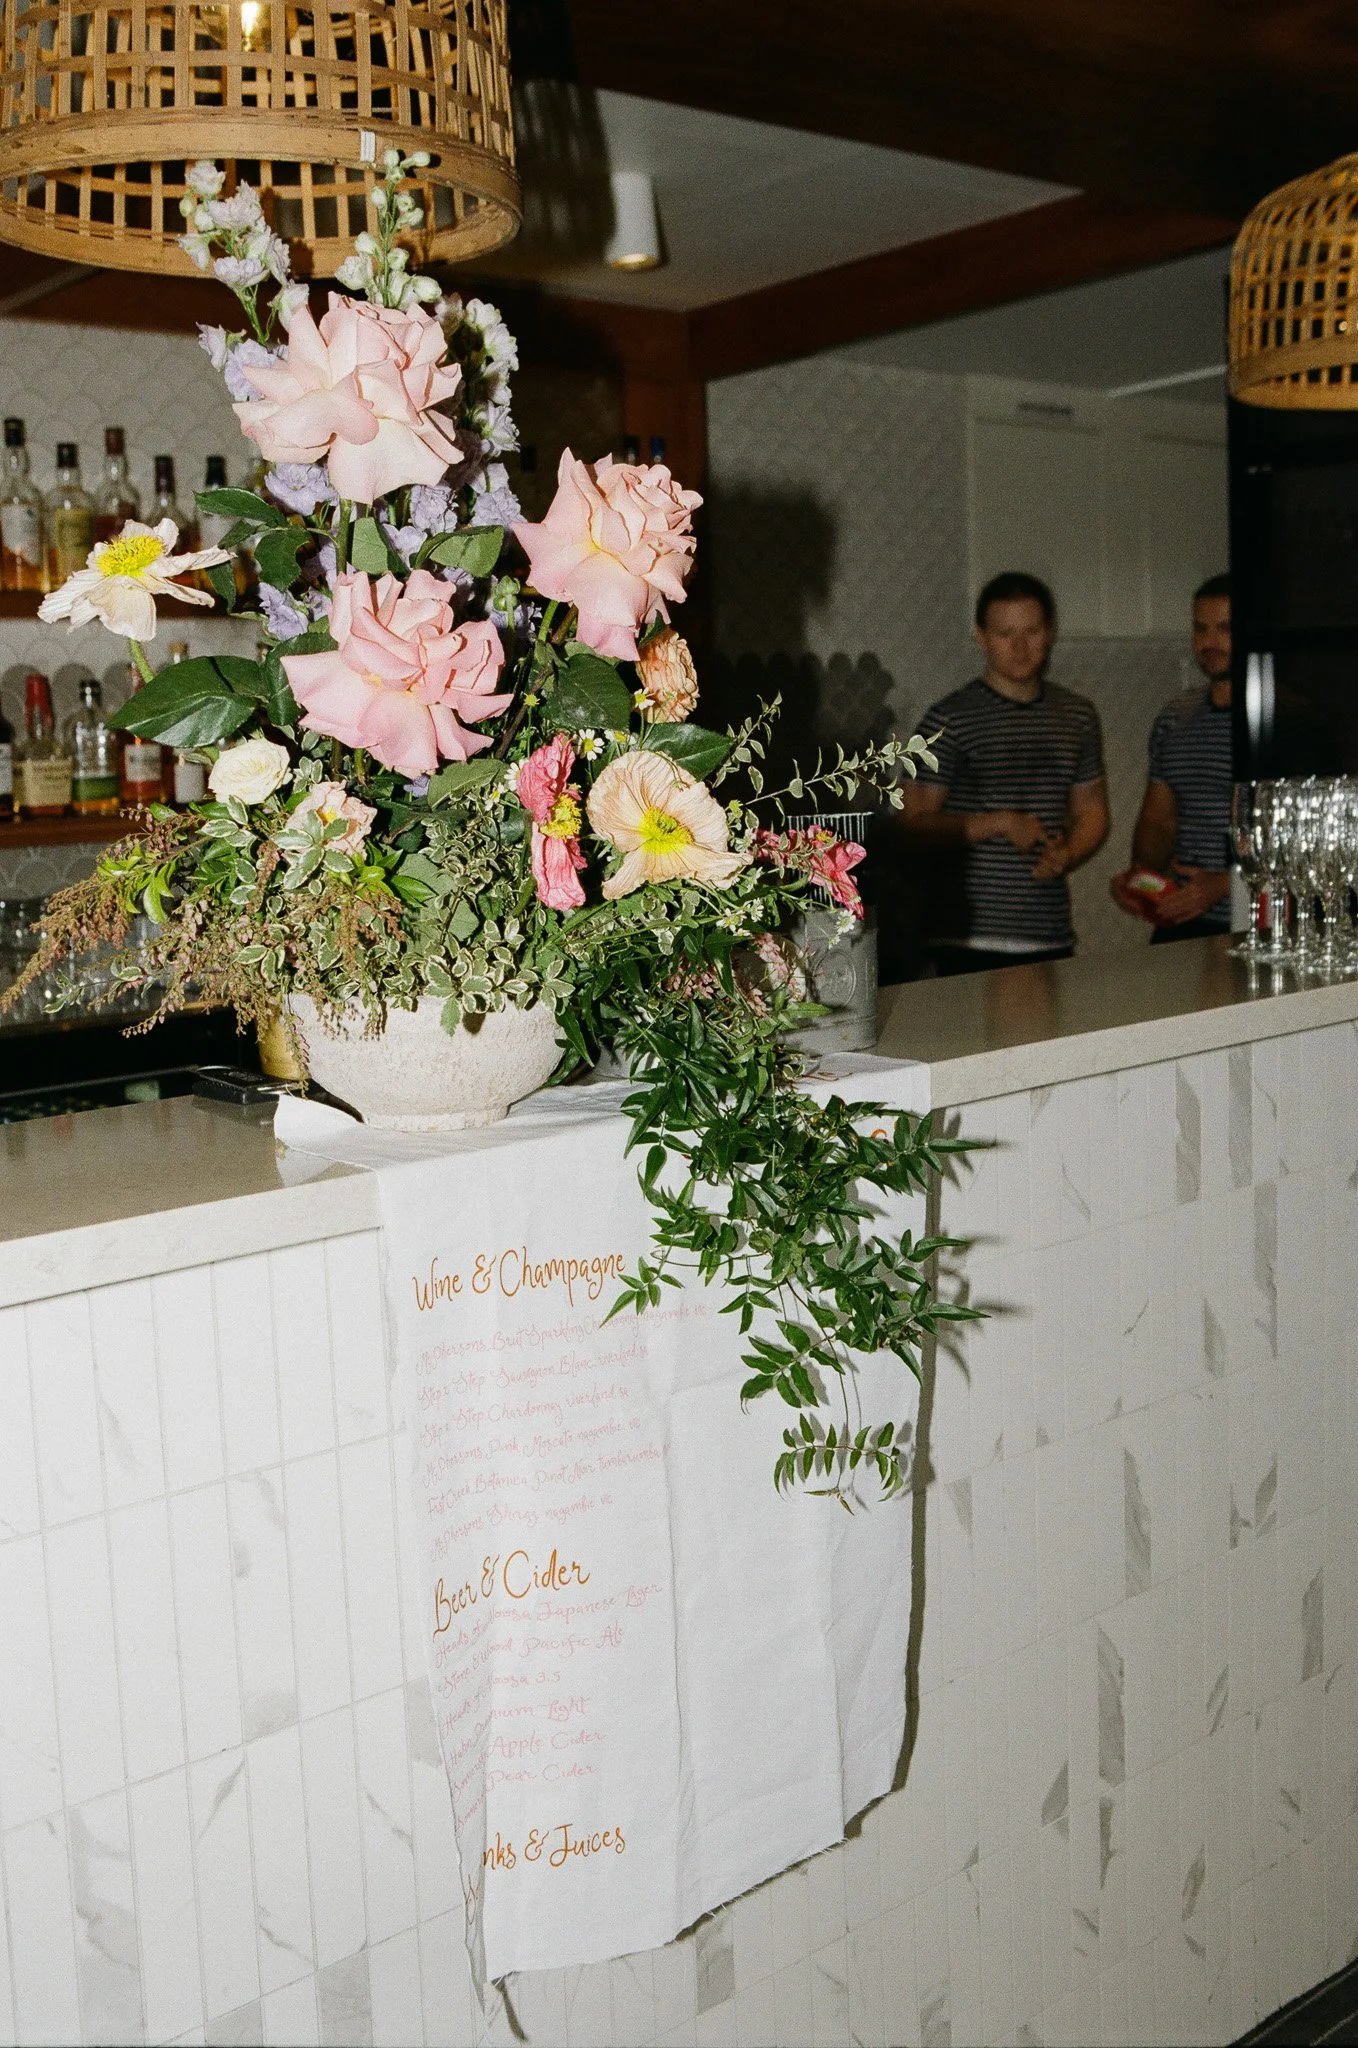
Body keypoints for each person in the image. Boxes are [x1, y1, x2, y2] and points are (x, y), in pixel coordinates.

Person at [899, 571, 1109, 973]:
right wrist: (997, 824)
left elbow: (1092, 812)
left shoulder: (1077, 716)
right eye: (1004, 633)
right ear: (981, 637)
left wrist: (1068, 853)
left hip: (1048, 933)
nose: (1019, 647)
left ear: (1049, 634)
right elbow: (910, 827)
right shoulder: (948, 718)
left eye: (1031, 631)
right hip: (965, 938)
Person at [1111, 575, 1233, 943]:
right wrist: (1138, 877)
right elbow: (1159, 821)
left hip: (1255, 919)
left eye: (1225, 629)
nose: (1209, 642)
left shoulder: (1285, 718)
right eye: (1200, 629)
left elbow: (1306, 835)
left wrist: (1225, 883)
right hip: (1179, 916)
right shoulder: (1174, 717)